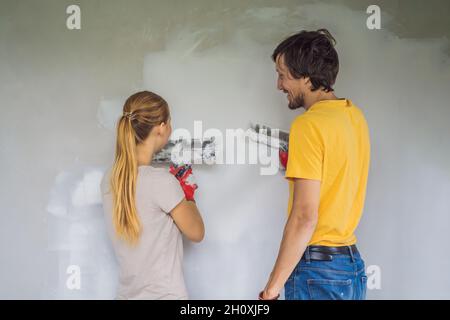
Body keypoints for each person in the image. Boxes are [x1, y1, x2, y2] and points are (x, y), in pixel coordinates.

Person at [260, 29, 371, 300]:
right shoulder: (354, 116)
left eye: (282, 74)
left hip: (318, 272)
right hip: (350, 267)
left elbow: (304, 217)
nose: (279, 85)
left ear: (307, 79)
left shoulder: (308, 125)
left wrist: (271, 291)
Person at [100, 91, 204, 299]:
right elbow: (197, 232)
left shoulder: (109, 180)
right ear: (162, 127)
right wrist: (187, 190)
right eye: (170, 122)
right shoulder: (161, 182)